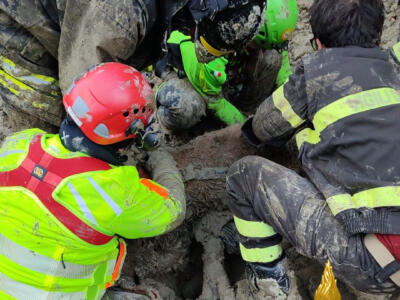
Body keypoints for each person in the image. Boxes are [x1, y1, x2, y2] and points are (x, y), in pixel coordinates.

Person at [223, 0, 400, 297]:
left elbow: (264, 127)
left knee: (243, 176)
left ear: (318, 43)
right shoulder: (394, 65)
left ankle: (270, 285)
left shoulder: (315, 74)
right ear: (378, 34)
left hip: (374, 263)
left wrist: (250, 132)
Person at [0, 62, 185, 299]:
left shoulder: (18, 144)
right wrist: (161, 159)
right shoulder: (114, 191)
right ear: (131, 130)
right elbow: (174, 210)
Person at [0, 0, 266, 128]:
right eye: (196, 30)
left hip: (78, 25)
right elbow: (83, 97)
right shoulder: (119, 18)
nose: (188, 33)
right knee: (53, 132)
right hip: (22, 30)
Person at [155, 0, 298, 130]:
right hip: (190, 72)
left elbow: (282, 61)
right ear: (247, 31)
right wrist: (247, 129)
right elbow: (216, 103)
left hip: (228, 65)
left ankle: (246, 106)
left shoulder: (265, 21)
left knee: (272, 57)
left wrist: (293, 101)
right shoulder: (213, 45)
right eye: (258, 45)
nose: (262, 49)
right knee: (184, 107)